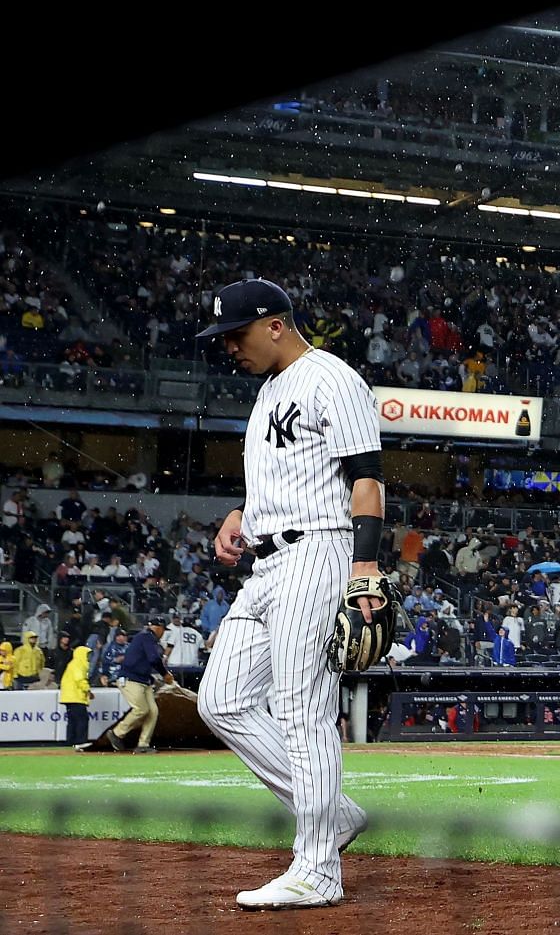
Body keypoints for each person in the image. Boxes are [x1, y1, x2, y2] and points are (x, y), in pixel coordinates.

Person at [192, 279, 386, 909]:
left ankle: (318, 867)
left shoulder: (334, 380)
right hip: (268, 559)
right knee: (220, 701)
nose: (228, 348)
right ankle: (335, 814)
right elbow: (288, 479)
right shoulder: (271, 389)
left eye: (235, 335)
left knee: (302, 706)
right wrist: (241, 515)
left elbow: (367, 483)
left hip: (321, 551)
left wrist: (364, 571)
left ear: (275, 324)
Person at [103, 616, 174, 753]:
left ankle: (143, 745)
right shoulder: (146, 637)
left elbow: (143, 661)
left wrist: (154, 679)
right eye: (163, 629)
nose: (163, 632)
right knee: (141, 709)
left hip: (142, 680)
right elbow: (153, 659)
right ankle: (117, 733)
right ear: (157, 628)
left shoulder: (146, 639)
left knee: (152, 712)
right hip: (130, 679)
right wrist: (164, 674)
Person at [61, 644, 93, 749]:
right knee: (82, 719)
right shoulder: (78, 664)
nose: (89, 657)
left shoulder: (74, 664)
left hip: (69, 696)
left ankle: (70, 741)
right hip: (75, 696)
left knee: (73, 720)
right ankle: (80, 741)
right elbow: (79, 680)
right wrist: (87, 689)